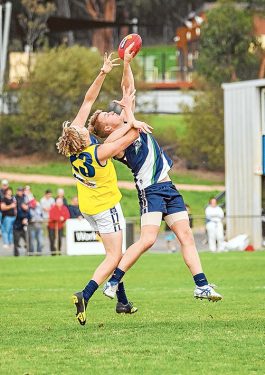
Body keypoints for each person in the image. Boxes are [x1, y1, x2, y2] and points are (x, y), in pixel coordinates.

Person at [88, 45, 223, 303]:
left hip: (168, 187)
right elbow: (126, 126)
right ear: (105, 126)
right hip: (150, 190)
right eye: (106, 115)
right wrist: (130, 117)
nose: (110, 112)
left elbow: (128, 88)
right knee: (148, 240)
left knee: (186, 235)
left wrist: (127, 63)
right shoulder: (112, 143)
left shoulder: (129, 120)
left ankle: (202, 285)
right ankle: (114, 282)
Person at [56, 52, 152, 326]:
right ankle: (85, 294)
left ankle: (122, 301)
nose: (85, 128)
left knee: (114, 255)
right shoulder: (98, 153)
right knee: (116, 256)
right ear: (83, 140)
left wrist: (103, 72)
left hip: (88, 207)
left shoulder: (75, 145)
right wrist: (130, 113)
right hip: (105, 206)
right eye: (85, 132)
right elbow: (131, 135)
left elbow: (88, 100)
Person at [13, 187, 30, 256]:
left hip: (24, 225)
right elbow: (16, 211)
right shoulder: (14, 198)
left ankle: (28, 253)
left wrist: (26, 218)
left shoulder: (25, 198)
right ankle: (16, 255)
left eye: (21, 191)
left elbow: (28, 210)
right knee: (16, 242)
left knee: (27, 240)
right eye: (19, 191)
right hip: (17, 224)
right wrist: (23, 217)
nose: (20, 192)